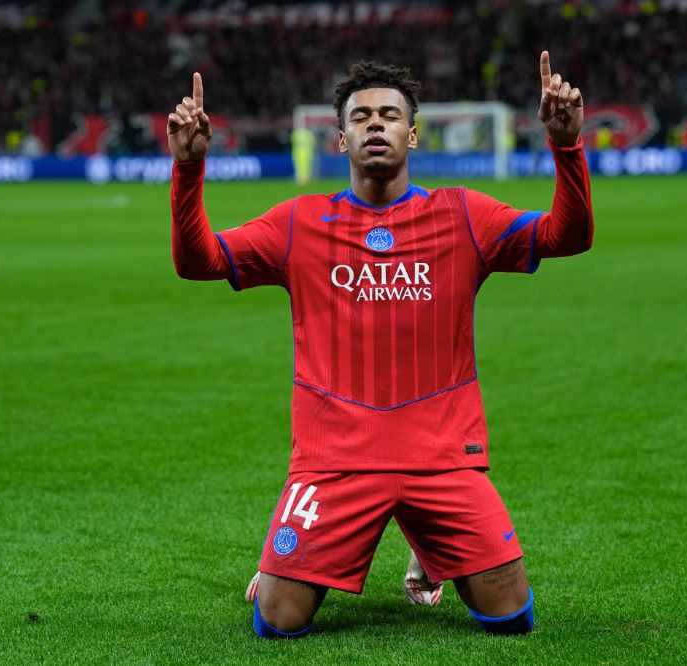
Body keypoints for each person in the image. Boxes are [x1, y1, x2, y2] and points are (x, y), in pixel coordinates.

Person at [168, 53, 593, 638]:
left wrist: (566, 147)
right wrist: (188, 168)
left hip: (441, 458)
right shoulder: (298, 222)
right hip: (335, 461)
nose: (375, 123)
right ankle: (288, 567)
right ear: (341, 139)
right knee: (277, 622)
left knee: (510, 618)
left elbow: (568, 236)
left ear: (411, 135)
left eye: (389, 115)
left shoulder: (463, 214)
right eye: (360, 116)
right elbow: (200, 262)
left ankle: (427, 549)